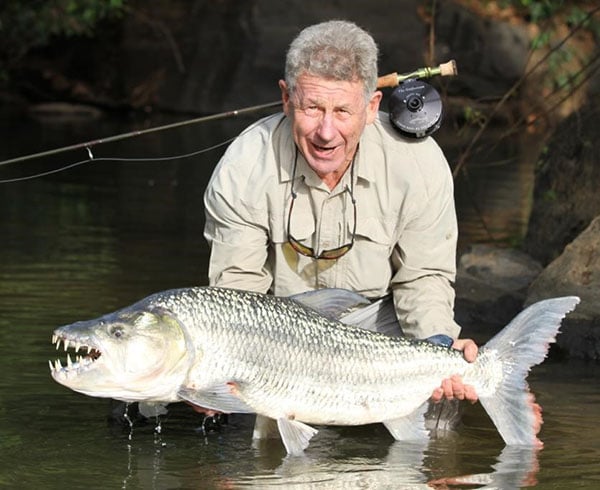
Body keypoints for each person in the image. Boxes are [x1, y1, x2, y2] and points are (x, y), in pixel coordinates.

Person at [203, 20, 478, 435]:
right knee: (221, 425)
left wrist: (439, 345)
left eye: (343, 111)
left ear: (371, 108)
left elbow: (424, 279)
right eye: (312, 108)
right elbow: (238, 294)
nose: (326, 133)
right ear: (286, 98)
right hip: (277, 335)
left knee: (439, 418)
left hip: (378, 332)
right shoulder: (243, 167)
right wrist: (222, 372)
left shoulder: (419, 165)